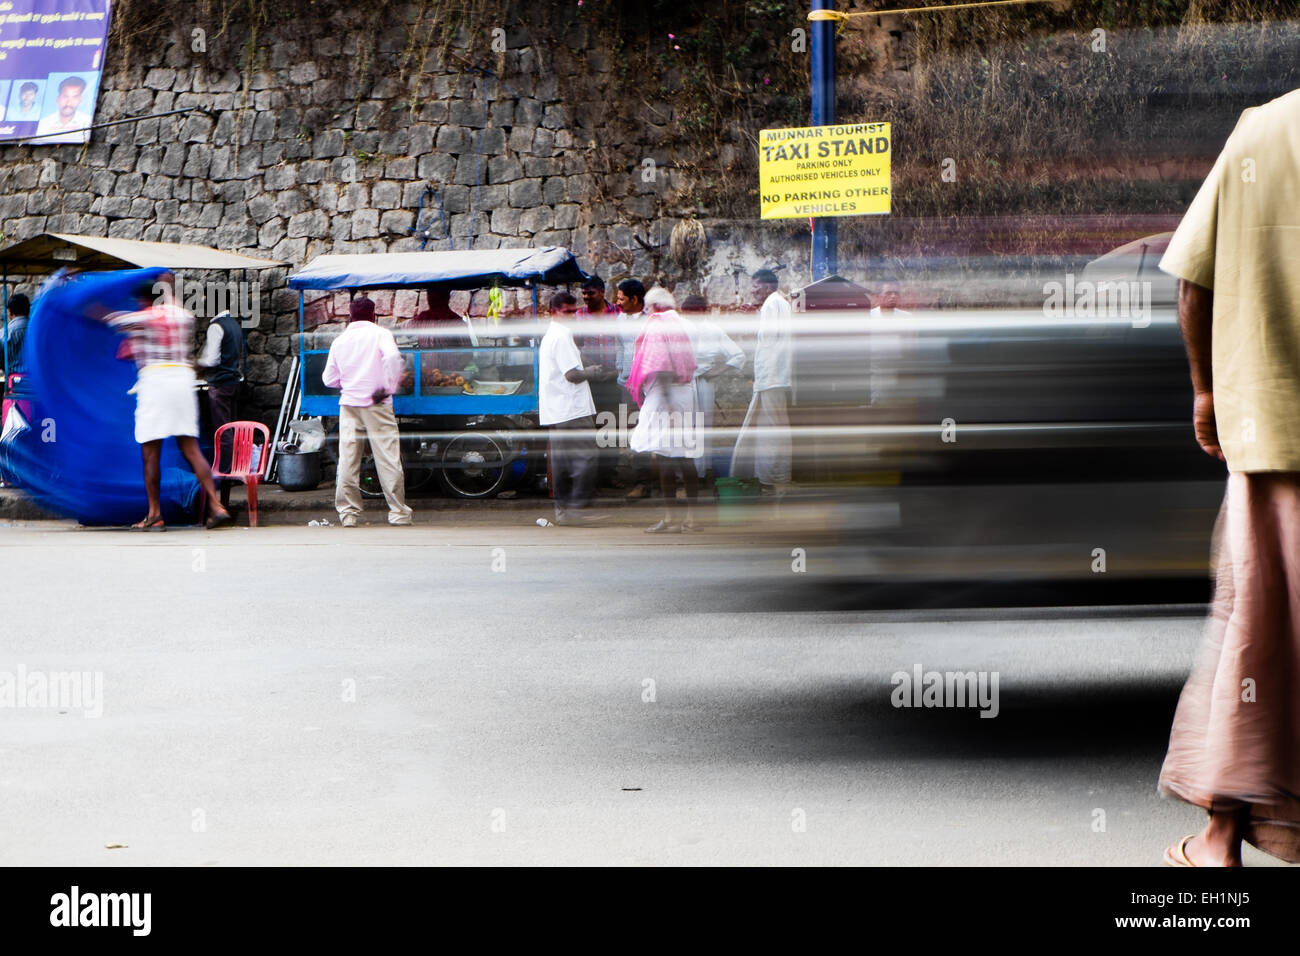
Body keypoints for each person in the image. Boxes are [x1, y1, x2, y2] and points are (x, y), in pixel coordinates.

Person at [1157, 88, 1300, 867]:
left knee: (1255, 635)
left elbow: (1192, 281)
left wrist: (1205, 388)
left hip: (1272, 433)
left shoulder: (1261, 132)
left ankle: (1219, 837)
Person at [98, 275, 232, 531]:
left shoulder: (143, 318)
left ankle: (154, 514)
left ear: (141, 300)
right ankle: (216, 506)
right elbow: (173, 304)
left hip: (155, 381)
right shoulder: (181, 315)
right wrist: (169, 287)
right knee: (191, 448)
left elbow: (111, 319)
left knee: (150, 453)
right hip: (182, 380)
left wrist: (85, 305)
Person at [323, 295, 413, 527]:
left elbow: (329, 379)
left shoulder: (340, 341)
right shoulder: (380, 334)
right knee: (387, 458)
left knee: (348, 459)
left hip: (349, 405)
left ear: (350, 316)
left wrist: (349, 382)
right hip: (377, 403)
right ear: (374, 315)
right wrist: (389, 385)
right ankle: (398, 513)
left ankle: (349, 514)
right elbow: (393, 357)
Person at [627, 287, 702, 533]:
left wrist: (668, 402)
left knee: (663, 456)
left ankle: (671, 517)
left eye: (647, 308)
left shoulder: (658, 324)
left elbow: (661, 364)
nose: (646, 313)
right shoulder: (687, 325)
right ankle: (691, 518)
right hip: (687, 393)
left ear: (654, 307)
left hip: (666, 395)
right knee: (684, 455)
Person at [538, 292, 605, 525]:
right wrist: (593, 372)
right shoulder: (562, 335)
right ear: (553, 311)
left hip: (556, 409)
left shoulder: (551, 335)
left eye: (573, 312)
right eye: (567, 312)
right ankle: (575, 509)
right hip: (572, 408)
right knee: (587, 457)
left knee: (563, 463)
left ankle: (564, 511)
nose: (572, 316)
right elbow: (572, 375)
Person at [729, 268, 793, 496]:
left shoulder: (771, 304)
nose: (753, 290)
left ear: (767, 286)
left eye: (755, 286)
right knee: (770, 428)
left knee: (774, 429)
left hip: (772, 376)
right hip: (774, 376)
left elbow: (768, 337)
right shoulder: (779, 303)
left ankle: (777, 480)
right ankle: (768, 478)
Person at [679, 295, 745, 479]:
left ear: (701, 311)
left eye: (691, 313)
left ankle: (699, 473)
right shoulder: (679, 328)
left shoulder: (714, 330)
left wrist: (716, 371)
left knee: (701, 428)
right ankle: (683, 473)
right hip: (682, 383)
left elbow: (737, 355)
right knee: (682, 426)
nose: (687, 317)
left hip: (703, 383)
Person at [575, 275, 622, 487]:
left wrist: (617, 371)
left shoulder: (617, 314)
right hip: (590, 379)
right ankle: (592, 474)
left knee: (611, 426)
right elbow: (575, 346)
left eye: (590, 293)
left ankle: (610, 472)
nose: (586, 297)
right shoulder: (579, 316)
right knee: (592, 426)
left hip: (614, 378)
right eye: (583, 293)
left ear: (602, 292)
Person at [196, 309, 244, 509]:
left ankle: (226, 472)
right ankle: (234, 468)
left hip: (219, 383)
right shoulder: (234, 324)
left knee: (222, 429)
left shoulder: (216, 327)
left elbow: (212, 359)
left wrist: (196, 363)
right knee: (232, 427)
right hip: (234, 382)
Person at [614, 278, 653, 500]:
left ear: (635, 299)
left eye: (621, 298)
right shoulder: (619, 319)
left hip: (648, 386)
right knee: (633, 432)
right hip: (626, 386)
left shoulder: (650, 321)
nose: (617, 302)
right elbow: (620, 346)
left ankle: (648, 481)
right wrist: (621, 370)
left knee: (650, 430)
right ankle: (639, 479)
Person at [36, 76, 92, 144]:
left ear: (80, 100)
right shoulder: (44, 123)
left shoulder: (87, 121)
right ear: (58, 98)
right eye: (65, 96)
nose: (68, 102)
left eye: (74, 97)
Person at [5, 293, 31, 377]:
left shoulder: (4, 333)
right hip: (37, 384)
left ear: (10, 312)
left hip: (13, 385)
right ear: (28, 310)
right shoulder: (41, 331)